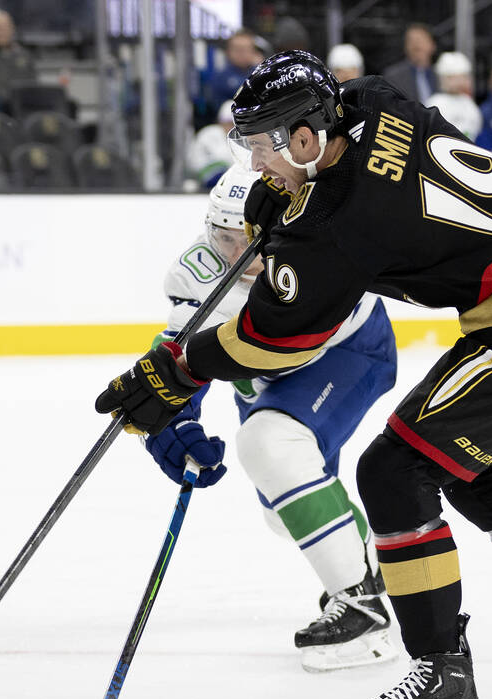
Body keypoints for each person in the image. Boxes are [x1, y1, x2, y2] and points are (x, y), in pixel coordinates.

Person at [94, 50, 492, 699]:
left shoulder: (342, 225)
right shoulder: (375, 102)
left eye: (263, 147)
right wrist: (288, 200)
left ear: (306, 138)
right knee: (475, 474)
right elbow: (354, 159)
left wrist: (177, 368)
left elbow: (276, 336)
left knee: (394, 470)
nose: (256, 163)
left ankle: (442, 681)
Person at [144, 164, 398, 671]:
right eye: (224, 237)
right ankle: (370, 566)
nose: (237, 255)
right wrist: (172, 417)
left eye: (248, 238)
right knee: (284, 512)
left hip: (345, 355)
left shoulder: (322, 250)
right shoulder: (196, 268)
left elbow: (294, 346)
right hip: (261, 374)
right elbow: (178, 347)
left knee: (269, 444)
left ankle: (361, 605)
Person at [427, 51, 481, 141]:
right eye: (452, 77)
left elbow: (476, 128)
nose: (460, 81)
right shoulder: (435, 103)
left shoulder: (468, 103)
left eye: (463, 76)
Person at [185, 100, 236, 189]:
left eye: (234, 124)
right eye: (228, 123)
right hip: (207, 183)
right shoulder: (208, 134)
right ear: (221, 122)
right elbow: (194, 163)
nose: (231, 127)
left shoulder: (246, 138)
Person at [382, 23, 437, 103]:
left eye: (420, 40)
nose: (416, 45)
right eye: (411, 40)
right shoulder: (392, 76)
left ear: (433, 45)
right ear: (405, 47)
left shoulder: (441, 75)